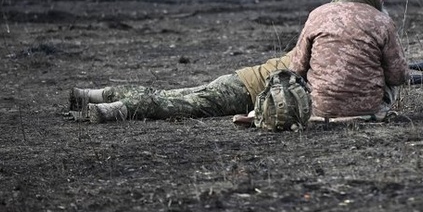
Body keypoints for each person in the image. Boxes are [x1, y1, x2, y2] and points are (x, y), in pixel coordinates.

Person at [288, 0, 410, 121]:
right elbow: (398, 76)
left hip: (319, 111)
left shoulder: (317, 15)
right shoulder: (382, 21)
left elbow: (296, 69)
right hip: (368, 111)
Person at [70, 53, 291, 123]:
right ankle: (109, 110)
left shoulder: (303, 46)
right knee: (176, 105)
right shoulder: (308, 59)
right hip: (243, 93)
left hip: (238, 79)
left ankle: (91, 95)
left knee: (166, 96)